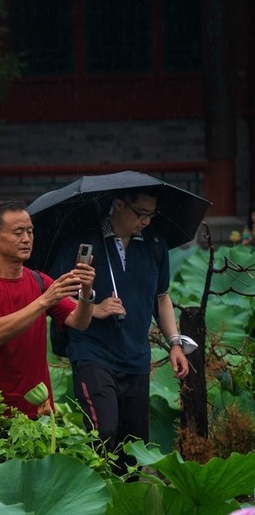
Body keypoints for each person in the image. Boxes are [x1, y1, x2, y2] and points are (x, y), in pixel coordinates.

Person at [52, 189, 190, 459]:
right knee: (103, 433)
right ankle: (94, 494)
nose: (147, 221)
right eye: (141, 213)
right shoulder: (83, 242)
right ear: (119, 205)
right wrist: (93, 308)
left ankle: (125, 500)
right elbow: (57, 296)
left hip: (136, 356)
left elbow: (161, 297)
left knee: (134, 447)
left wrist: (175, 343)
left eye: (152, 214)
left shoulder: (155, 245)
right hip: (92, 352)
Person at [0, 199, 96, 418]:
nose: (26, 239)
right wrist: (44, 301)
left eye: (30, 232)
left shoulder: (39, 280)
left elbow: (79, 322)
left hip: (37, 406)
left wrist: (87, 292)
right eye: (18, 232)